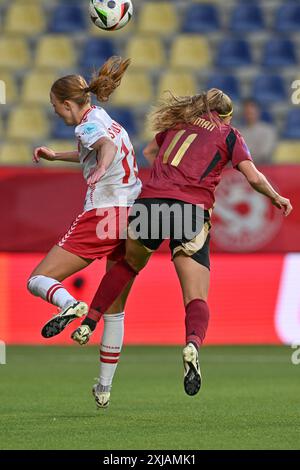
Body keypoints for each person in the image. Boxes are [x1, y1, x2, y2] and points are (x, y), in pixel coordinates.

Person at [52, 88, 292, 397]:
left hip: (151, 204)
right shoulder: (229, 134)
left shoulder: (175, 126)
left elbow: (150, 153)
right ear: (225, 115)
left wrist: (167, 176)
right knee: (196, 296)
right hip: (190, 210)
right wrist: (276, 196)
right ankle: (192, 344)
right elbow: (254, 177)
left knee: (127, 265)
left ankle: (90, 321)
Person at [27, 56, 141, 409]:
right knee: (115, 309)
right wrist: (56, 155)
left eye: (55, 107)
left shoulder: (85, 127)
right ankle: (104, 389)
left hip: (103, 214)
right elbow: (97, 145)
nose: (56, 113)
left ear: (66, 103)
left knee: (38, 279)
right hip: (135, 218)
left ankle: (69, 303)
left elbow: (101, 150)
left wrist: (101, 169)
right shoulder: (106, 121)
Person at [239, 98, 277, 164]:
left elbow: (265, 153)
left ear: (258, 112)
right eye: (247, 112)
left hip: (264, 168)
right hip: (242, 170)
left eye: (251, 112)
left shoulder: (268, 131)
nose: (249, 114)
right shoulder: (238, 132)